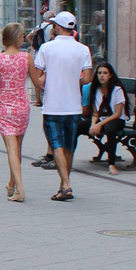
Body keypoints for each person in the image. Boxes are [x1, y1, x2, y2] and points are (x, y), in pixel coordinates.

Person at [29, 11, 94, 202]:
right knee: (69, 145)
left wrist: (44, 81)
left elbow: (37, 76)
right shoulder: (83, 49)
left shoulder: (46, 48)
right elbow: (88, 78)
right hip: (73, 105)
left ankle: (65, 184)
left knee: (56, 143)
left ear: (57, 27)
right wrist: (73, 78)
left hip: (53, 105)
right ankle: (64, 184)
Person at [0, 22, 33, 202]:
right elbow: (37, 80)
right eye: (22, 36)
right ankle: (12, 183)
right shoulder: (26, 58)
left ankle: (19, 189)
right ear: (16, 37)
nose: (23, 39)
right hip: (22, 106)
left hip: (5, 107)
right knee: (17, 148)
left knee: (12, 150)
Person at [84, 63, 127, 175]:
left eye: (105, 73)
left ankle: (111, 163)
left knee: (110, 130)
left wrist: (100, 124)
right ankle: (68, 160)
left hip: (116, 120)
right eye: (99, 73)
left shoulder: (117, 90)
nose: (101, 76)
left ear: (110, 75)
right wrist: (93, 124)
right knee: (78, 126)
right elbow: (95, 112)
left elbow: (117, 114)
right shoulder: (96, 89)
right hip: (100, 119)